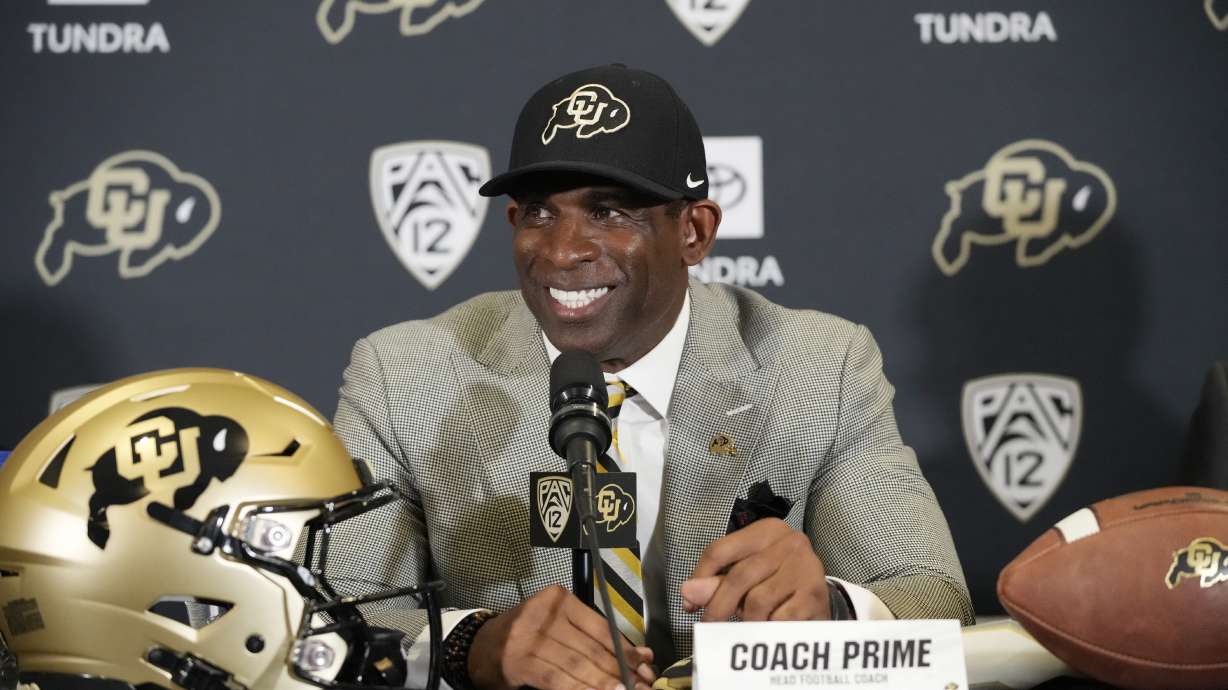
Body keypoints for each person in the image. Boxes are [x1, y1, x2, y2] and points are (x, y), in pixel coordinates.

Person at [328, 64, 974, 690]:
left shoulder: (817, 367)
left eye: (609, 212)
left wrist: (829, 608)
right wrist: (470, 648)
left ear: (694, 231)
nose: (561, 251)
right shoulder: (405, 378)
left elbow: (934, 595)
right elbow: (323, 626)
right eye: (539, 213)